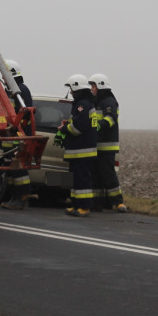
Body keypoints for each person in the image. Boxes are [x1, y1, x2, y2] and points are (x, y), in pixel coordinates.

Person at [54, 74, 98, 217]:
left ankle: (84, 207)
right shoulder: (84, 104)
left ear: (77, 88)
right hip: (80, 151)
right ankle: (76, 205)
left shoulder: (82, 105)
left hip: (82, 151)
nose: (71, 93)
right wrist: (68, 125)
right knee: (76, 180)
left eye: (72, 89)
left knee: (82, 181)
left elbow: (78, 128)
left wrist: (64, 129)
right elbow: (78, 124)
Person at [89, 74, 128, 212]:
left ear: (100, 86)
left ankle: (118, 202)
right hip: (97, 146)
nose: (92, 89)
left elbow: (111, 119)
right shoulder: (96, 101)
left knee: (108, 174)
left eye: (93, 86)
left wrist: (98, 125)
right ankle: (98, 203)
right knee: (96, 175)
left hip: (107, 145)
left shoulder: (109, 101)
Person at [1, 59, 34, 211]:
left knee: (19, 168)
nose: (2, 77)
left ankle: (21, 198)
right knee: (12, 168)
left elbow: (24, 113)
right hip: (12, 136)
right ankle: (14, 197)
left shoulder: (21, 90)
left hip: (19, 135)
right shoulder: (12, 90)